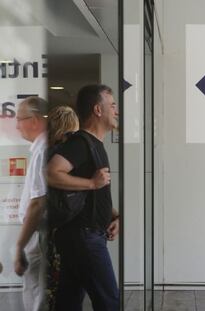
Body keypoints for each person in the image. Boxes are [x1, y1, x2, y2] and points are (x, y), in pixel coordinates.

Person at [47, 84, 120, 311]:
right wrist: (91, 183)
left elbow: (96, 193)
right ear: (98, 110)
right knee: (109, 302)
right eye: (113, 105)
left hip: (82, 235)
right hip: (85, 237)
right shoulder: (81, 142)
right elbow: (51, 172)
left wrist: (115, 216)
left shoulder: (95, 144)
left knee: (68, 302)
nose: (116, 111)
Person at [14, 96, 48, 311]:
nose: (17, 126)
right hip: (36, 235)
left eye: (19, 119)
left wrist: (19, 246)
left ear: (34, 120)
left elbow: (37, 203)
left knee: (38, 295)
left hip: (38, 236)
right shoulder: (40, 149)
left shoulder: (43, 150)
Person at [46, 105, 79, 310]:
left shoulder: (45, 153)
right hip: (69, 225)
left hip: (48, 225)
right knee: (68, 285)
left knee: (53, 284)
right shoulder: (69, 155)